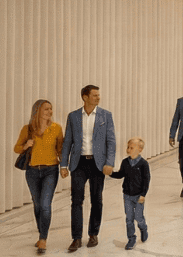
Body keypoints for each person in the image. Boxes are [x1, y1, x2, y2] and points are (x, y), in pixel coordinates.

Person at [60, 85, 116, 253]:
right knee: (76, 200)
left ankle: (93, 234)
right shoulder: (73, 116)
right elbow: (67, 142)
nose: (98, 98)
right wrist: (63, 164)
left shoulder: (106, 116)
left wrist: (110, 163)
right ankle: (76, 238)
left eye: (99, 95)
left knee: (96, 199)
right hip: (79, 163)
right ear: (85, 97)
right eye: (94, 95)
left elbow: (111, 142)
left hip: (98, 164)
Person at [14, 99, 64, 254]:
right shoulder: (28, 129)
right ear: (37, 112)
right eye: (46, 109)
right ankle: (41, 231)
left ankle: (43, 238)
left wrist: (64, 167)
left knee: (45, 204)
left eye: (51, 109)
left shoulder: (56, 128)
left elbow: (60, 150)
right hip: (32, 171)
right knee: (37, 205)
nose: (50, 112)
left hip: (51, 170)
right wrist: (26, 145)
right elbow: (16, 148)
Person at [107, 138, 150, 251]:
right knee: (129, 218)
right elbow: (121, 174)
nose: (128, 149)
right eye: (128, 147)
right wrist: (110, 173)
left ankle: (143, 227)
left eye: (131, 147)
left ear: (140, 149)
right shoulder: (125, 162)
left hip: (139, 196)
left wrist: (143, 194)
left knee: (138, 217)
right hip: (127, 195)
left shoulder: (143, 164)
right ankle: (131, 238)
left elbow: (146, 180)